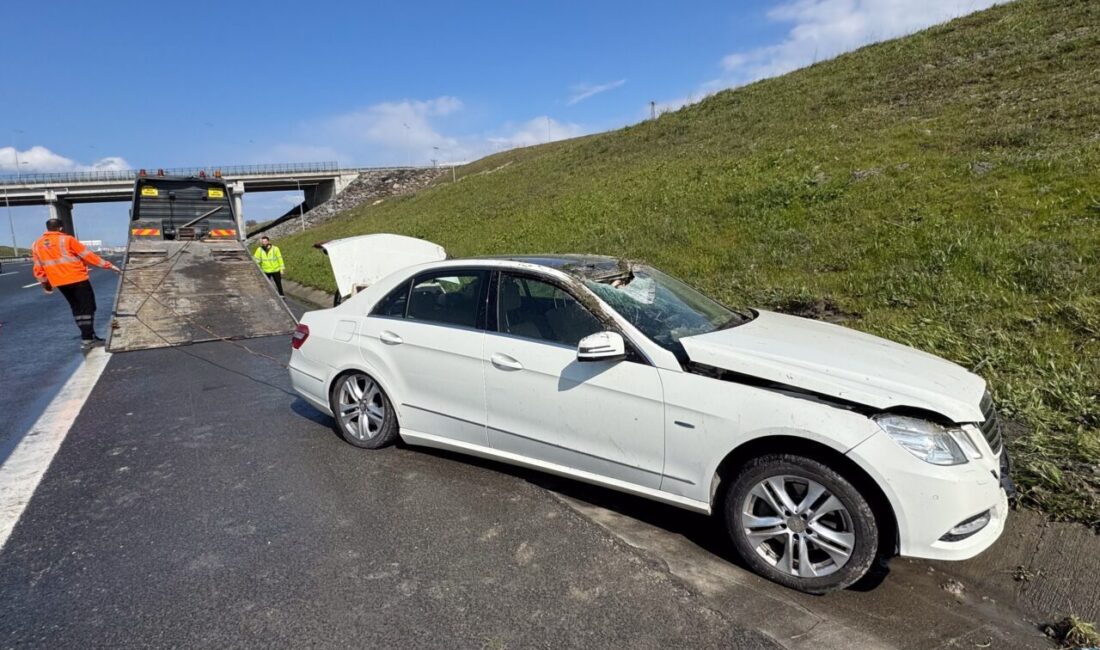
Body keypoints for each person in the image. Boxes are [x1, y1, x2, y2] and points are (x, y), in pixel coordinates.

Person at [32, 218, 121, 349]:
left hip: (60, 282)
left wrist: (46, 284)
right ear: (61, 228)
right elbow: (88, 255)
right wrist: (109, 266)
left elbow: (38, 268)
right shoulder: (67, 240)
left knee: (77, 308)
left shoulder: (36, 245)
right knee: (88, 307)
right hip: (77, 279)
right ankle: (87, 339)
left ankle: (88, 336)